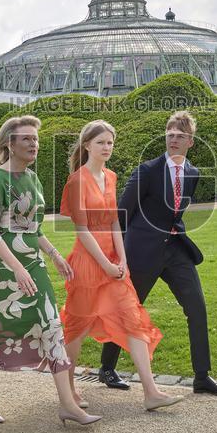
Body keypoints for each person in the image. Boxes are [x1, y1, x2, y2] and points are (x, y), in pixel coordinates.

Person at [0, 115, 101, 426]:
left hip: (33, 265)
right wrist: (16, 269)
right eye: (27, 139)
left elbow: (33, 228)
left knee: (52, 325)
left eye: (36, 139)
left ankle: (68, 404)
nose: (34, 144)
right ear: (9, 144)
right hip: (1, 272)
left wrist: (55, 255)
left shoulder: (33, 179)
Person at [98, 110, 217, 396]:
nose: (173, 139)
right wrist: (117, 256)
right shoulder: (147, 170)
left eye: (180, 136)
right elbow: (122, 215)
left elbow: (175, 213)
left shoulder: (193, 173)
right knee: (128, 310)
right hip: (141, 251)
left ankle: (202, 377)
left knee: (197, 308)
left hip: (176, 250)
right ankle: (107, 368)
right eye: (170, 134)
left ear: (190, 142)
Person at [60, 120, 182, 411]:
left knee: (132, 318)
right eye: (101, 142)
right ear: (87, 145)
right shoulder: (77, 180)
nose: (106, 147)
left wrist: (123, 259)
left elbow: (115, 220)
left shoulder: (111, 176)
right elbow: (82, 230)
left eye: (110, 142)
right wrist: (104, 263)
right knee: (77, 327)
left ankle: (151, 392)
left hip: (114, 262)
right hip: (89, 265)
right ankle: (68, 391)